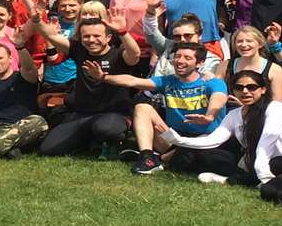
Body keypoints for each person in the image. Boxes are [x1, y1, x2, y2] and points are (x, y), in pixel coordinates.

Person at [106, 42, 230, 177]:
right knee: (142, 108)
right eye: (177, 56)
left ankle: (160, 159)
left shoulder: (212, 82)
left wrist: (210, 116)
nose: (180, 61)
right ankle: (147, 157)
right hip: (174, 138)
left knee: (189, 158)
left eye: (187, 58)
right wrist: (103, 77)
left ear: (199, 63)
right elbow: (133, 81)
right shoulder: (167, 81)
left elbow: (218, 98)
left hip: (203, 141)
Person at [38, 17, 143, 156]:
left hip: (114, 114)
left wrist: (123, 32)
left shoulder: (119, 55)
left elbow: (135, 54)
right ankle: (91, 142)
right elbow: (50, 35)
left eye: (97, 36)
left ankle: (113, 141)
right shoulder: (79, 50)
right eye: (86, 36)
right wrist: (36, 16)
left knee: (106, 129)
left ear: (108, 38)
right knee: (48, 149)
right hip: (82, 114)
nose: (91, 40)